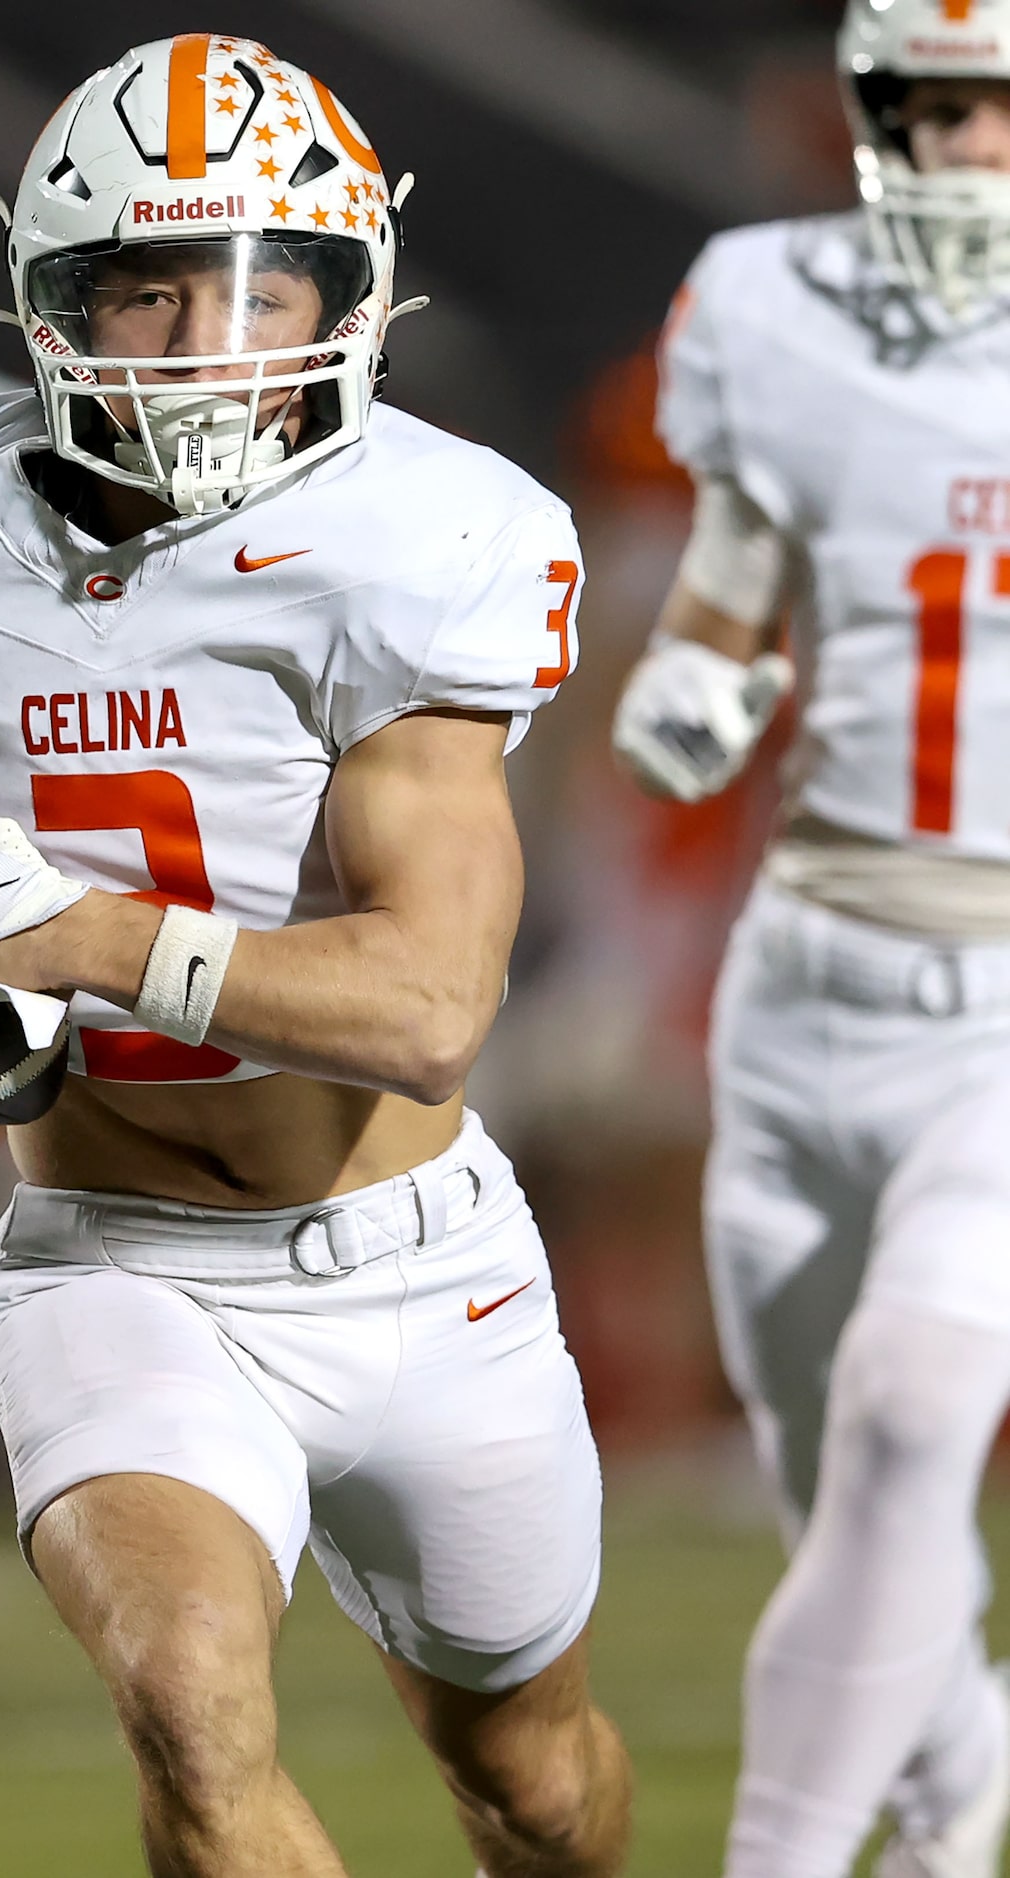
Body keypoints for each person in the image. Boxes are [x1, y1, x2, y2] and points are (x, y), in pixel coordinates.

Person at [0, 34, 632, 1878]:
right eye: (144, 290)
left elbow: (423, 1005)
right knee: (188, 1702)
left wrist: (48, 926)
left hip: (422, 1262)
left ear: (351, 300)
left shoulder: (412, 538)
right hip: (115, 1260)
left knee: (534, 1781)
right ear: (48, 307)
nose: (202, 344)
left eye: (257, 289)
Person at [612, 4, 1010, 1873]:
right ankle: (963, 1786)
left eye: (1002, 114)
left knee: (915, 1407)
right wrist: (695, 684)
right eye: (936, 115)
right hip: (807, 973)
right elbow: (732, 581)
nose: (968, 157)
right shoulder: (774, 308)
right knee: (830, 1476)